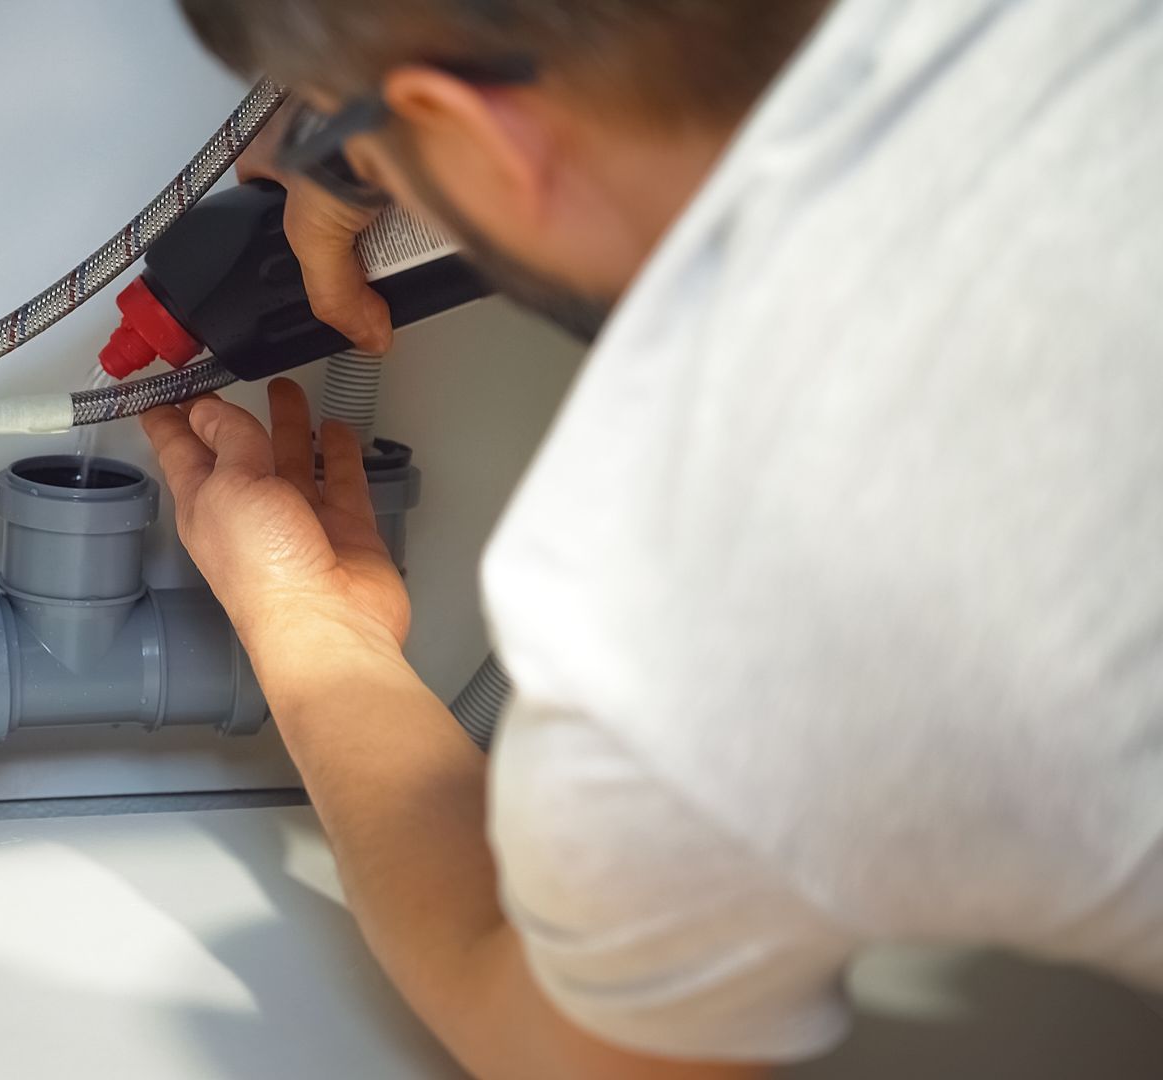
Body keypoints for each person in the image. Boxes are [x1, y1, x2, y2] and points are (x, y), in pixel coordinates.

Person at [137, 1, 1163, 1076]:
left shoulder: (693, 581)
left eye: (344, 141)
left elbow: (570, 1048)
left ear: (472, 125)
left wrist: (313, 635)